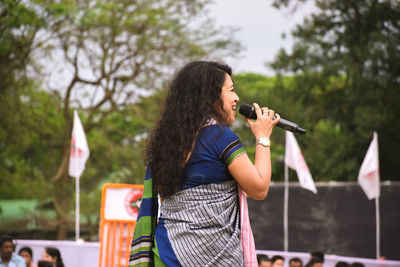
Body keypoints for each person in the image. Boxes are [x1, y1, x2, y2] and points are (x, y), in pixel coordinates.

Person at [130, 61, 280, 266]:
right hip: (215, 257)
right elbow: (260, 188)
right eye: (231, 90)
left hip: (166, 253)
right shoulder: (220, 138)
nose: (237, 98)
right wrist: (263, 137)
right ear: (211, 96)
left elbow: (167, 200)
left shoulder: (165, 145)